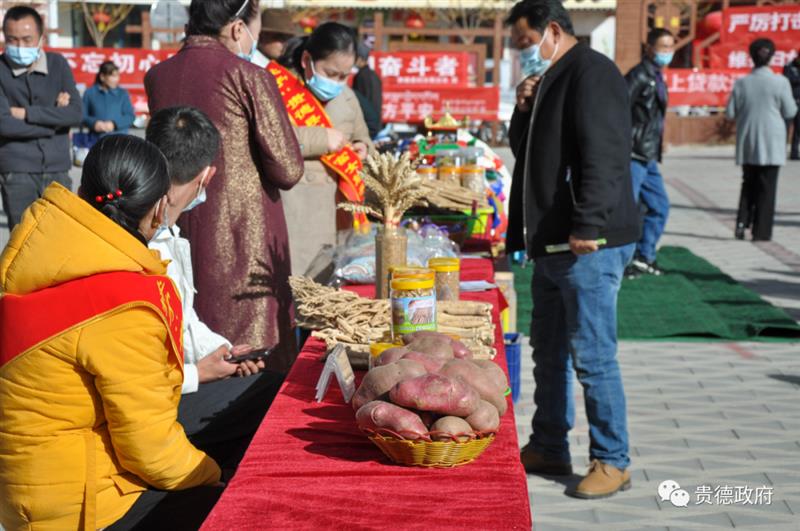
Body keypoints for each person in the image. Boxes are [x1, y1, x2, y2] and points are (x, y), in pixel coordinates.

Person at [0, 135, 221, 530]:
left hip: (25, 486)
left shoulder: (39, 253)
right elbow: (150, 451)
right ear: (159, 209)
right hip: (80, 505)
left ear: (82, 193)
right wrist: (216, 476)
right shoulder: (124, 302)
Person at [506, 0, 640, 499]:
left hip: (587, 244)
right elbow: (530, 156)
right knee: (549, 351)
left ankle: (612, 458)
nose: (523, 52)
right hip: (551, 242)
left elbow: (606, 154)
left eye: (526, 42)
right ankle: (549, 443)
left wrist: (589, 224)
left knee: (592, 355)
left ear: (553, 31)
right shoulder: (548, 80)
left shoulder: (591, 72)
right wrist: (523, 110)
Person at [145, 0, 305, 374]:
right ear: (237, 28)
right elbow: (288, 168)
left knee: (189, 332)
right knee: (255, 364)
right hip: (245, 241)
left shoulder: (158, 76)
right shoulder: (250, 76)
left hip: (176, 224)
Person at [144, 106, 284, 495]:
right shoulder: (143, 238)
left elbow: (184, 321)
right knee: (268, 397)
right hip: (149, 406)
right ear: (207, 175)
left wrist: (220, 353)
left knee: (263, 385)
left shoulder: (163, 230)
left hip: (165, 388)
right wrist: (199, 374)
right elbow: (132, 378)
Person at [274, 22, 374, 277]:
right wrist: (320, 138)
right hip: (297, 211)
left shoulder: (347, 97)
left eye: (344, 76)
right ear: (307, 60)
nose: (337, 82)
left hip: (341, 213)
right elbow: (272, 139)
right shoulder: (277, 89)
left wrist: (364, 148)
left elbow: (363, 136)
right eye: (330, 73)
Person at [0, 5, 82, 232]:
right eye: (12, 40)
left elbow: (75, 113)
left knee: (60, 237)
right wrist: (54, 124)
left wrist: (26, 113)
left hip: (58, 169)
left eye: (27, 39)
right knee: (23, 239)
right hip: (17, 171)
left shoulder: (58, 64)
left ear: (41, 38)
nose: (19, 46)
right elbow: (4, 124)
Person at [726, 38, 797, 242]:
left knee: (748, 183)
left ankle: (742, 223)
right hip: (772, 142)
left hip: (748, 140)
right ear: (772, 56)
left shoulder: (742, 83)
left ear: (751, 56)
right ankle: (761, 231)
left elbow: (730, 113)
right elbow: (790, 110)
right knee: (767, 188)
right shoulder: (780, 82)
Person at [624, 28, 674, 278]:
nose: (667, 52)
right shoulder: (639, 75)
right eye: (663, 47)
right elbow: (619, 108)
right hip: (633, 153)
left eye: (670, 47)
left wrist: (659, 141)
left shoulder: (657, 75)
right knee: (628, 210)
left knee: (659, 206)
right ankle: (624, 260)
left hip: (648, 154)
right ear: (650, 48)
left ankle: (645, 255)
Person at [82, 60, 135, 142]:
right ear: (102, 77)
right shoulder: (90, 93)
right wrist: (94, 123)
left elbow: (130, 116)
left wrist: (114, 124)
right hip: (95, 141)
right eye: (113, 76)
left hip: (119, 141)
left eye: (117, 76)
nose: (116, 79)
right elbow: (83, 115)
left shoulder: (122, 94)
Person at [352, 41, 383, 136]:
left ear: (360, 58)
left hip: (366, 124)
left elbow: (359, 102)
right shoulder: (373, 75)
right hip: (375, 122)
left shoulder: (360, 76)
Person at [783, 52, 800, 160]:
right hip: (790, 101)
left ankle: (794, 153)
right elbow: (786, 80)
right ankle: (781, 152)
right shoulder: (789, 66)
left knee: (798, 129)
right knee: (785, 128)